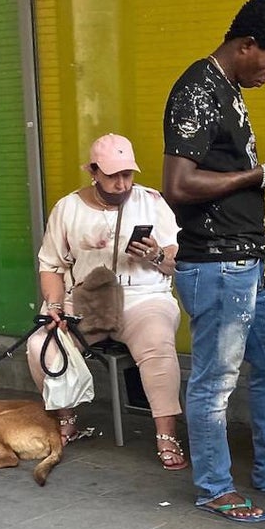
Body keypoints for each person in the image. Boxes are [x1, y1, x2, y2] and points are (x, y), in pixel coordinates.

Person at [163, 0, 265, 523]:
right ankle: (214, 486)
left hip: (246, 261)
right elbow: (178, 185)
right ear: (246, 44)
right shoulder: (197, 90)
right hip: (216, 265)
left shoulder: (226, 89)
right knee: (216, 379)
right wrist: (262, 175)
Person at [29, 133, 189, 471]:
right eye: (112, 175)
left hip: (143, 295)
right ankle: (66, 417)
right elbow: (51, 266)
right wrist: (55, 306)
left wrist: (157, 255)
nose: (120, 184)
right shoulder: (68, 207)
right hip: (87, 297)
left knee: (157, 342)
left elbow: (178, 260)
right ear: (94, 172)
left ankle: (166, 435)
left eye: (126, 175)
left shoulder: (151, 201)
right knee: (41, 343)